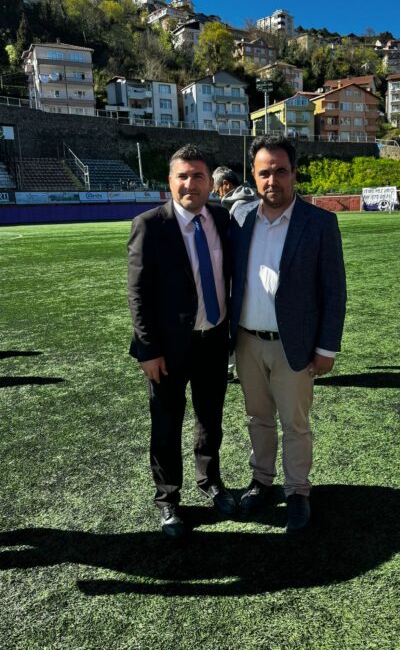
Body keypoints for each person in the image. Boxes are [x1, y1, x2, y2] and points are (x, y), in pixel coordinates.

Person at [230, 135, 347, 533]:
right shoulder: (240, 219)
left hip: (293, 344)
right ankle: (261, 481)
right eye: (264, 172)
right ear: (253, 175)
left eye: (281, 171)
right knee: (257, 418)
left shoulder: (320, 223)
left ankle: (297, 490)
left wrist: (326, 347)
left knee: (295, 424)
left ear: (294, 173)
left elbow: (334, 290)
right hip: (246, 342)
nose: (272, 180)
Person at [127, 144, 236, 539]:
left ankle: (211, 482)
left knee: (210, 419)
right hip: (167, 350)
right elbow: (137, 293)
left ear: (210, 182)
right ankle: (168, 498)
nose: (191, 183)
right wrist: (148, 350)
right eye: (183, 176)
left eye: (198, 176)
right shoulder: (149, 224)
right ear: (170, 182)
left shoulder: (222, 219)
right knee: (166, 425)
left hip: (213, 341)